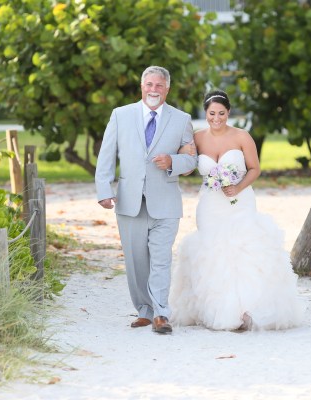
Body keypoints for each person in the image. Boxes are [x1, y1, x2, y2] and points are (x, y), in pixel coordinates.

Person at [169, 90, 306, 331]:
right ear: (206, 113)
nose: (217, 118)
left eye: (221, 113)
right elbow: (187, 167)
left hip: (240, 202)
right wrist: (181, 153)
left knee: (243, 251)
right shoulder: (197, 138)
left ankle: (247, 309)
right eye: (212, 113)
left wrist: (238, 187)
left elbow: (255, 169)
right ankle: (218, 308)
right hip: (210, 205)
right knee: (213, 252)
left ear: (228, 112)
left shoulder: (242, 136)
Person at [95, 66, 197, 334]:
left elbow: (192, 159)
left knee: (161, 259)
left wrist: (173, 161)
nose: (154, 90)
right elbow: (107, 154)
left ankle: (161, 313)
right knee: (136, 261)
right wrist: (104, 189)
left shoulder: (181, 119)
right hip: (129, 201)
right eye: (149, 84)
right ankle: (144, 310)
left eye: (159, 85)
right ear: (142, 87)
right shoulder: (120, 115)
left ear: (167, 89)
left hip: (165, 202)